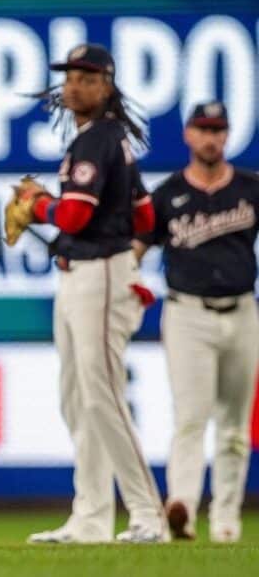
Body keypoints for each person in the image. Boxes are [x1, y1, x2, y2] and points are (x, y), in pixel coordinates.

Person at [15, 44, 168, 544]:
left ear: (106, 86)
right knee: (79, 400)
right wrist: (134, 253)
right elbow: (145, 215)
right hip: (86, 273)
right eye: (70, 76)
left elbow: (76, 216)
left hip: (99, 274)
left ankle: (149, 515)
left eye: (86, 77)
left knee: (102, 397)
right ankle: (92, 517)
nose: (74, 85)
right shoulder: (105, 139)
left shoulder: (99, 139)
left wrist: (38, 206)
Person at [133, 101, 259, 543]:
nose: (211, 137)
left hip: (242, 311)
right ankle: (181, 509)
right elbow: (136, 248)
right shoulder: (167, 194)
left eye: (218, 129)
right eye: (204, 128)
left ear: (227, 135)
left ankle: (226, 521)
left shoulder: (250, 188)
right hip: (187, 313)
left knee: (234, 427)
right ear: (188, 135)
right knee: (190, 417)